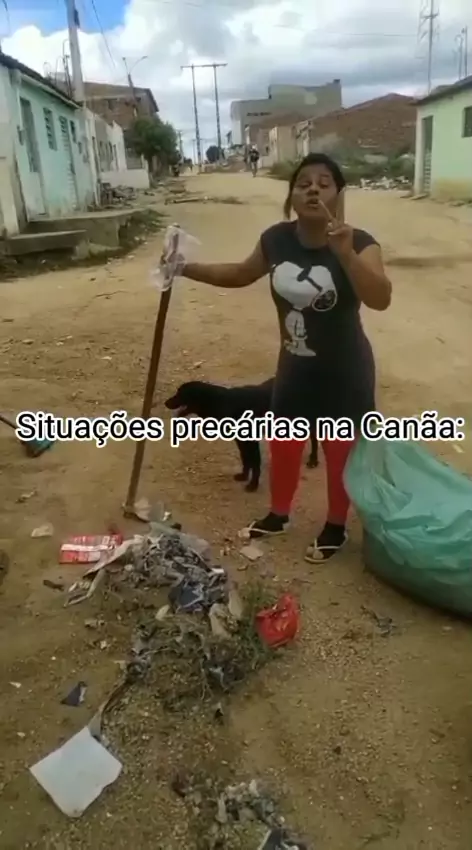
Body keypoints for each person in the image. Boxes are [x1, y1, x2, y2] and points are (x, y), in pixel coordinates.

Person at [178, 153, 392, 563]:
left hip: (345, 372)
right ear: (291, 196)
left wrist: (345, 255)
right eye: (303, 183)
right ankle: (278, 515)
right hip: (295, 367)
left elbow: (380, 298)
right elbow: (239, 274)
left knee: (338, 452)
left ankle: (335, 527)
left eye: (324, 183)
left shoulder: (362, 242)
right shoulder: (276, 239)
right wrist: (184, 268)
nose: (313, 189)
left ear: (339, 194)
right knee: (285, 444)